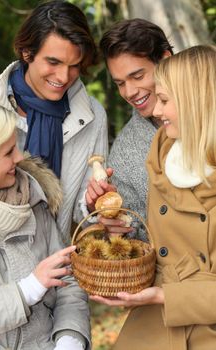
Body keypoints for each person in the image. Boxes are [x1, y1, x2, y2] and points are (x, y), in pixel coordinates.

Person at [91, 45, 216, 350]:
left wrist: (165, 297)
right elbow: (154, 242)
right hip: (156, 318)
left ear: (193, 101)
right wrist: (115, 224)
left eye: (164, 100)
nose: (156, 113)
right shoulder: (162, 153)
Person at [0, 0, 108, 244]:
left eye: (74, 66)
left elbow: (84, 212)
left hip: (56, 263)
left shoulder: (93, 115)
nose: (63, 77)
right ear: (27, 52)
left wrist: (93, 203)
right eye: (53, 62)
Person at [0, 102, 91, 349]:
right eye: (8, 152)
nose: (20, 157)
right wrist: (26, 291)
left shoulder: (31, 198)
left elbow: (68, 282)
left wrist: (69, 338)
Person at [85, 19, 173, 238]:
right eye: (120, 83)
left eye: (137, 76)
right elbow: (137, 235)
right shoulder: (125, 151)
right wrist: (119, 225)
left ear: (165, 60)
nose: (130, 92)